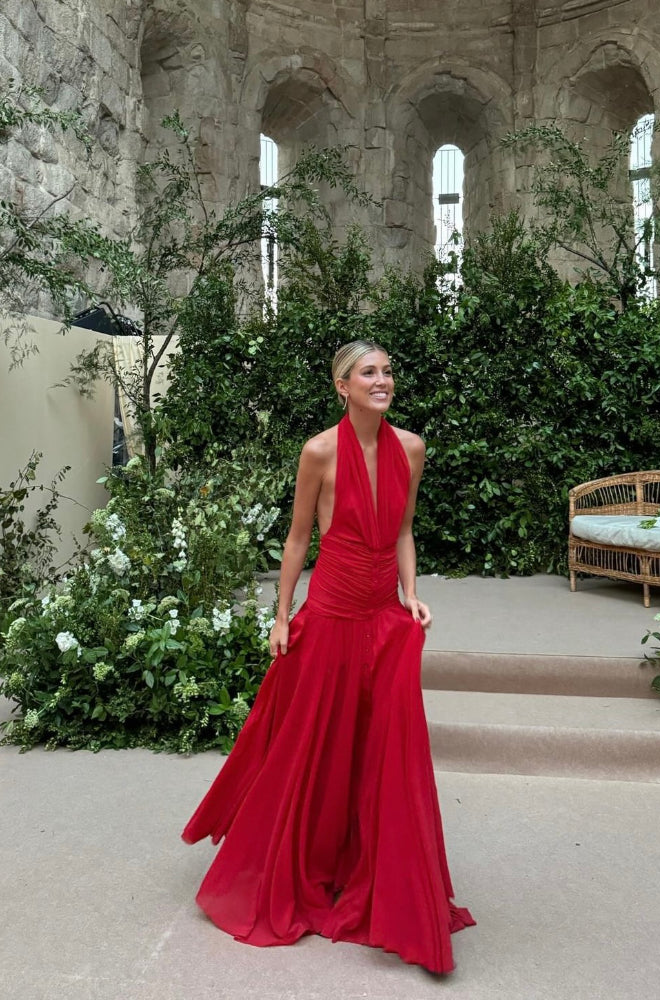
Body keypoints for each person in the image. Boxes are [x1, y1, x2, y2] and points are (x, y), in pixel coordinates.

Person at [182, 340, 475, 973]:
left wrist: (413, 595)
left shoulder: (412, 448)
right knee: (312, 747)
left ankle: (382, 878)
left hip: (384, 622)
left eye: (388, 370)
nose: (383, 380)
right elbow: (295, 541)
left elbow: (402, 530)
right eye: (369, 372)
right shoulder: (318, 452)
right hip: (332, 617)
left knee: (385, 751)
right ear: (341, 385)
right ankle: (305, 865)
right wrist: (282, 617)